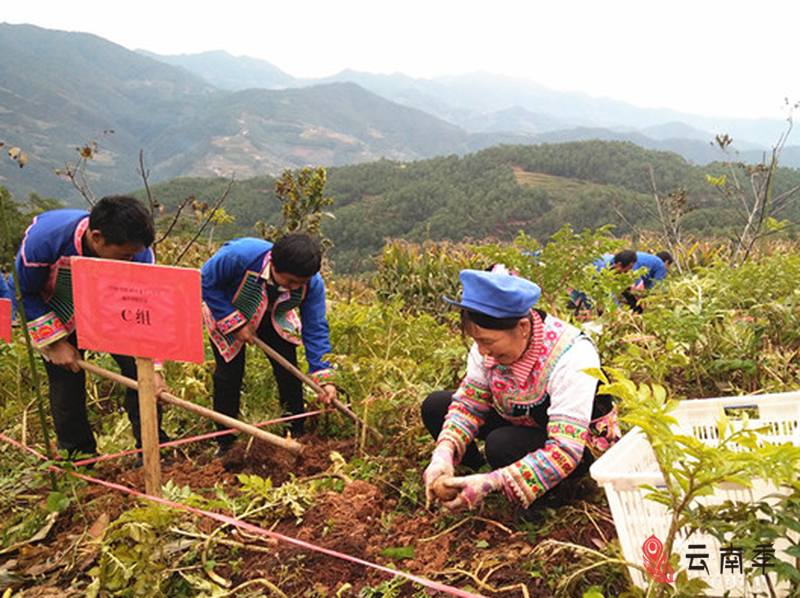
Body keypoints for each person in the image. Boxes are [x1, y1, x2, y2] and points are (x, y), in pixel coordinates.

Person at [422, 269, 620, 515]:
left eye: (488, 342)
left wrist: (492, 482)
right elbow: (469, 405)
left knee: (502, 444)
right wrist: (443, 453)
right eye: (477, 341)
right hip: (525, 423)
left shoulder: (572, 354)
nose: (482, 351)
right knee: (436, 406)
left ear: (523, 327)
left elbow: (566, 448)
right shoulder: (486, 350)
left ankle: (553, 494)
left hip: (577, 446)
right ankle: (470, 472)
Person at [15, 195, 170, 459]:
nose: (131, 261)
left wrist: (153, 369)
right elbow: (24, 292)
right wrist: (55, 342)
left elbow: (146, 309)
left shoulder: (140, 253)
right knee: (66, 384)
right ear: (96, 238)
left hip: (113, 310)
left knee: (139, 375)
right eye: (124, 256)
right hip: (58, 312)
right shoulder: (44, 240)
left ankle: (152, 451)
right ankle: (78, 459)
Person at [201, 233, 337, 455]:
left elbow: (315, 327)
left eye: (301, 283)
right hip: (229, 311)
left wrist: (324, 378)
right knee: (229, 376)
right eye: (290, 281)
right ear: (273, 264)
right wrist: (234, 323)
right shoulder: (238, 256)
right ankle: (225, 443)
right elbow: (206, 281)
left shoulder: (312, 284)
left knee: (289, 372)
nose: (295, 287)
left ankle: (295, 431)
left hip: (276, 317)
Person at [568, 249, 637, 313]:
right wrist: (593, 309)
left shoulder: (614, 268)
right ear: (619, 264)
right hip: (576, 280)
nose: (625, 273)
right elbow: (584, 288)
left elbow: (610, 292)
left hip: (589, 283)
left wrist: (616, 308)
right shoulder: (600, 267)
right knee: (571, 309)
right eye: (625, 270)